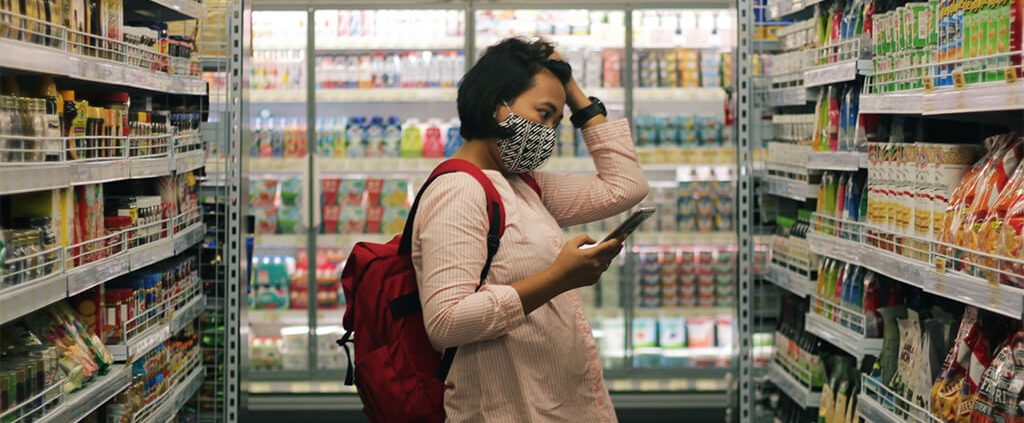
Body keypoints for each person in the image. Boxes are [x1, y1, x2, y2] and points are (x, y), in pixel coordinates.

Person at [411, 37, 649, 422]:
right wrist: (559, 278)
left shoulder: (523, 184)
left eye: (556, 122)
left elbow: (626, 186)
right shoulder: (460, 190)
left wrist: (571, 89)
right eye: (543, 114)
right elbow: (446, 321)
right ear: (496, 104)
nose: (548, 132)